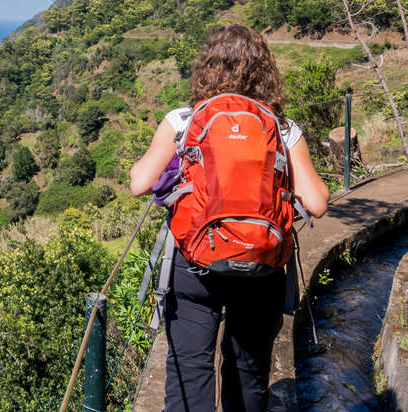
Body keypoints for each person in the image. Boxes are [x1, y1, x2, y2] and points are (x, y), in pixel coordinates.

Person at [128, 24, 330, 412]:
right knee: (249, 372)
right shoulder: (282, 128)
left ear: (207, 67)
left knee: (190, 369)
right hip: (263, 264)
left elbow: (140, 183)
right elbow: (317, 203)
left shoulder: (184, 120)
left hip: (195, 264)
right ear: (264, 71)